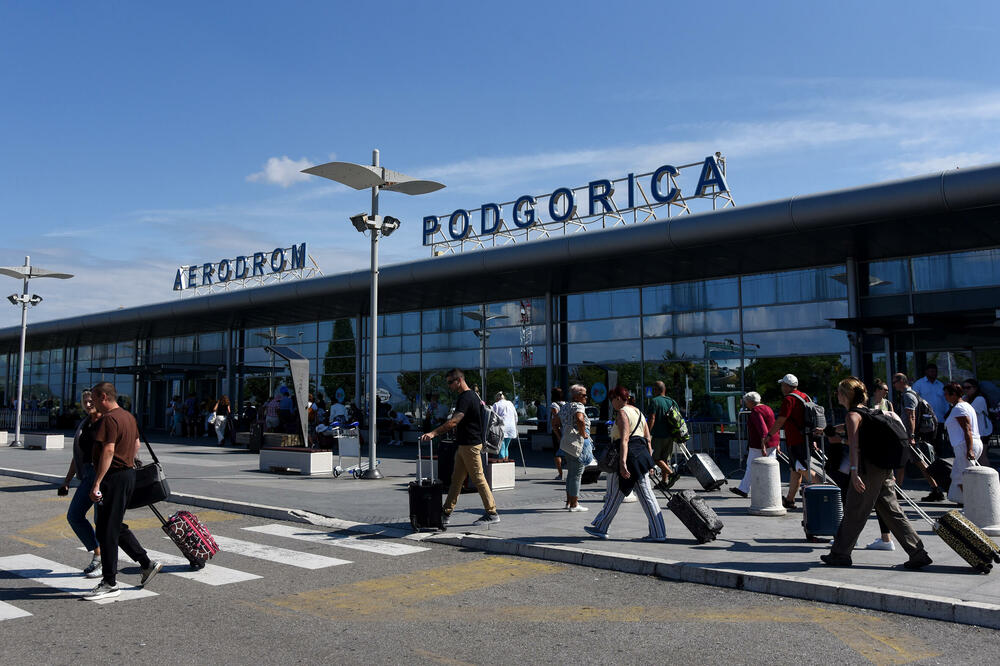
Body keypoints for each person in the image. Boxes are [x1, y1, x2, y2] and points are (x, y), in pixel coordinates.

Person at [820, 377, 932, 570]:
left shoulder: (852, 415)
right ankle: (918, 553)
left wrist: (854, 473)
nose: (837, 395)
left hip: (867, 469)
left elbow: (854, 446)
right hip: (883, 467)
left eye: (839, 392)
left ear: (845, 395)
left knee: (855, 509)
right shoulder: (869, 411)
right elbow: (851, 430)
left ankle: (840, 554)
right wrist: (826, 430)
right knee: (891, 511)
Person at [85, 382, 162, 600]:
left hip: (114, 477)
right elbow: (136, 445)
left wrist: (97, 482)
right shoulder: (128, 417)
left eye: (94, 398)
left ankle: (110, 582)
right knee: (112, 525)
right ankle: (146, 563)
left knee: (107, 531)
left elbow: (108, 450)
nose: (92, 403)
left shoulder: (109, 419)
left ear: (103, 396)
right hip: (127, 474)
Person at [585, 386, 666, 541]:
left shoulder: (622, 413)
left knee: (623, 494)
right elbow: (648, 438)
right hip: (641, 456)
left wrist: (622, 463)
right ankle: (658, 531)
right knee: (643, 495)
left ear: (618, 398)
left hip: (629, 457)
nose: (612, 403)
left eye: (612, 399)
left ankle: (602, 527)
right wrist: (649, 461)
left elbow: (625, 439)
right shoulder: (638, 412)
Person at [421, 369, 499, 527]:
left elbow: (454, 421)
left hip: (470, 445)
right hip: (464, 445)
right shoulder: (472, 396)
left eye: (451, 382)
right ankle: (445, 512)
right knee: (456, 480)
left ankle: (492, 513)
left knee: (478, 479)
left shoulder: (466, 397)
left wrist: (433, 433)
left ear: (459, 380)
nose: (449, 386)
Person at [57, 390, 102, 577]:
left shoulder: (106, 422)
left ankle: (104, 562)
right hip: (88, 474)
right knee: (74, 515)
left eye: (91, 400)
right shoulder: (85, 424)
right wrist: (67, 480)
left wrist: (99, 481)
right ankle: (98, 552)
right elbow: (78, 456)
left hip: (104, 475)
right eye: (85, 401)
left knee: (102, 521)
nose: (88, 404)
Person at [766, 374, 818, 510]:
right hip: (806, 438)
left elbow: (781, 420)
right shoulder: (804, 396)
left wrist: (770, 435)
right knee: (795, 469)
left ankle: (829, 490)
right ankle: (789, 500)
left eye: (782, 385)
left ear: (787, 386)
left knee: (803, 469)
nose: (781, 388)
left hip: (795, 440)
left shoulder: (789, 399)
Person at [892, 373, 945, 502]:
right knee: (902, 462)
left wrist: (911, 435)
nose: (893, 385)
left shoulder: (908, 395)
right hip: (908, 435)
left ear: (901, 381)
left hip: (909, 436)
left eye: (894, 382)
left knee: (919, 462)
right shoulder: (911, 394)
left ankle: (936, 489)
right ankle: (898, 489)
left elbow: (912, 416)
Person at [732, 391, 779, 498]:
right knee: (771, 466)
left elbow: (762, 429)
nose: (746, 404)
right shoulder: (768, 408)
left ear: (750, 401)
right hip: (772, 441)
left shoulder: (756, 411)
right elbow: (773, 424)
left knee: (751, 465)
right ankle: (771, 489)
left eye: (746, 402)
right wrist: (777, 443)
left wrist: (763, 445)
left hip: (759, 444)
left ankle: (744, 489)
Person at [943, 382, 984, 506]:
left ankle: (972, 503)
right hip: (967, 444)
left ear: (954, 394)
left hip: (965, 445)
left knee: (963, 477)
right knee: (957, 475)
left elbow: (967, 429)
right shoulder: (965, 406)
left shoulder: (959, 408)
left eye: (946, 394)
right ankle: (964, 501)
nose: (945, 397)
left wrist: (969, 449)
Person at [552, 385, 591, 512]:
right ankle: (574, 504)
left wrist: (560, 436)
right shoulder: (579, 406)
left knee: (571, 473)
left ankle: (569, 502)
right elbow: (580, 419)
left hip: (567, 443)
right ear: (576, 396)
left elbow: (554, 423)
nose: (586, 397)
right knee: (577, 474)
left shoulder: (565, 407)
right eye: (584, 395)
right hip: (577, 443)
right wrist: (584, 434)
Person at [646, 381, 681, 491]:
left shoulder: (655, 401)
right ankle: (664, 482)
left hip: (658, 435)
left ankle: (672, 474)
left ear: (656, 390)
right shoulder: (672, 401)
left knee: (655, 458)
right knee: (665, 459)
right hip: (670, 435)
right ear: (664, 390)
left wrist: (647, 432)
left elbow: (652, 418)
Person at [963, 378, 994, 451]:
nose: (966, 390)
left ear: (975, 388)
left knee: (982, 454)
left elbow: (968, 414)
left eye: (968, 387)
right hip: (974, 432)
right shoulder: (966, 398)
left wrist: (963, 402)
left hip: (983, 431)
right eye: (964, 388)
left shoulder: (980, 399)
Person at [491, 391, 518, 462]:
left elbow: (493, 417)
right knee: (506, 447)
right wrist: (515, 425)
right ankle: (506, 460)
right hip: (511, 427)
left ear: (497, 398)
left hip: (502, 428)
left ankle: (502, 460)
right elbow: (515, 416)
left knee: (501, 446)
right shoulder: (510, 403)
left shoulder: (496, 404)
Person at [549, 388, 566, 480]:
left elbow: (556, 416)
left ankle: (560, 474)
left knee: (557, 453)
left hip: (557, 430)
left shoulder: (554, 405)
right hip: (565, 430)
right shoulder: (565, 404)